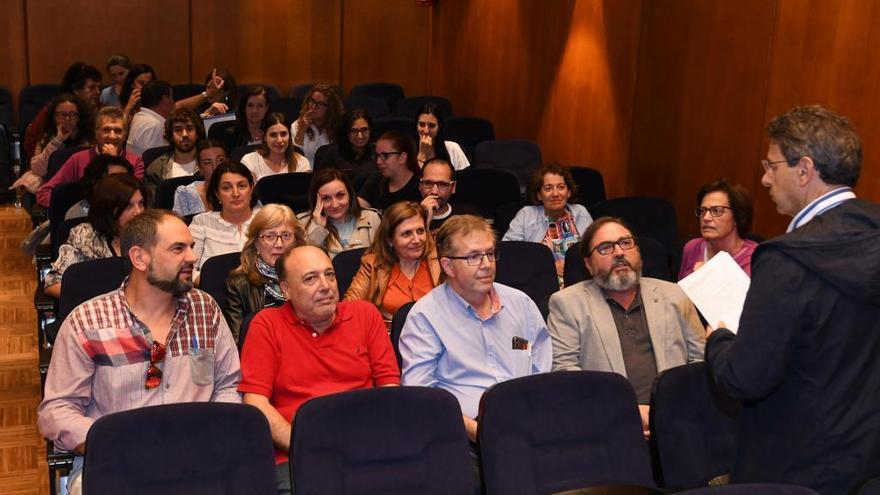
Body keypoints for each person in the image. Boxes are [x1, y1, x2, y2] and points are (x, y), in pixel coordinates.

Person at [705, 105, 880, 493]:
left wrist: (717, 339)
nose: (764, 180)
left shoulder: (786, 260)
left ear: (804, 170)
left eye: (771, 166)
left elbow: (744, 378)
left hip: (793, 466)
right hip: (866, 458)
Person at [37, 209, 241, 495]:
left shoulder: (204, 310)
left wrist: (210, 436)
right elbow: (57, 411)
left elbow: (228, 384)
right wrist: (120, 443)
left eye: (192, 248)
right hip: (117, 462)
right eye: (178, 248)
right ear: (139, 258)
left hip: (197, 459)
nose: (193, 258)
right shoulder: (88, 322)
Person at [239, 245, 399, 494]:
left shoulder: (365, 314)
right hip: (298, 454)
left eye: (330, 275)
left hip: (368, 449)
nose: (325, 286)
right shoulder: (266, 325)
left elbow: (389, 388)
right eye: (310, 278)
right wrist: (306, 446)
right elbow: (256, 402)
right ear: (286, 289)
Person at [399, 214, 552, 443]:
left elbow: (542, 366)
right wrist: (482, 434)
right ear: (448, 266)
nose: (487, 265)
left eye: (490, 254)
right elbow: (423, 396)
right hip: (465, 435)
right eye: (473, 257)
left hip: (529, 422)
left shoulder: (521, 304)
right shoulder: (425, 317)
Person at [547, 216, 705, 436]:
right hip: (607, 427)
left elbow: (701, 362)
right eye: (605, 248)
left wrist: (674, 410)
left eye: (625, 243)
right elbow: (564, 371)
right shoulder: (567, 304)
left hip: (678, 421)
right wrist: (626, 409)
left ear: (637, 251)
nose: (619, 252)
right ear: (588, 264)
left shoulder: (674, 295)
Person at [43, 173, 146, 299]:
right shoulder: (85, 236)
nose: (139, 211)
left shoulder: (151, 233)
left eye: (141, 203)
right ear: (110, 208)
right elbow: (53, 283)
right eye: (129, 206)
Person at [344, 201, 441, 326]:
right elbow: (349, 309)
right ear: (390, 240)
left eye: (420, 231)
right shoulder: (373, 264)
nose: (417, 240)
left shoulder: (440, 260)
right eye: (407, 234)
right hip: (389, 339)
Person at [225, 204, 305, 342]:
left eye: (286, 235)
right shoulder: (238, 285)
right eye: (270, 236)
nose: (279, 244)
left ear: (296, 242)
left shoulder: (309, 276)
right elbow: (239, 342)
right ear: (256, 243)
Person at [36, 107, 144, 208]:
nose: (112, 136)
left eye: (118, 131)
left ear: (125, 135)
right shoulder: (78, 159)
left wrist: (114, 161)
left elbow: (132, 199)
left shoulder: (136, 162)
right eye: (106, 130)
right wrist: (70, 208)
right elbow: (44, 193)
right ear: (96, 133)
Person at [503, 163, 593, 279]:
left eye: (561, 187)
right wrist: (548, 267)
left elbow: (595, 249)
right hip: (542, 280)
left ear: (569, 192)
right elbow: (508, 253)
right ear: (539, 195)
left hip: (580, 281)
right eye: (548, 188)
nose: (555, 194)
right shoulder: (527, 215)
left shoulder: (581, 212)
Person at [9, 93, 95, 194]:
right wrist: (58, 141)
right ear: (55, 117)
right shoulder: (47, 137)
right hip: (51, 185)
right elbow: (38, 169)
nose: (67, 119)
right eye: (63, 115)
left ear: (79, 117)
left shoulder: (88, 139)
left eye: (72, 114)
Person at [188, 161, 259, 277]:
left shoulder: (267, 219)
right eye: (227, 188)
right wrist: (206, 284)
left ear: (251, 189)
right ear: (217, 194)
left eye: (242, 186)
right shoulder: (201, 222)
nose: (235, 193)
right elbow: (187, 265)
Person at [679, 178, 757, 279]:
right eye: (702, 210)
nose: (706, 218)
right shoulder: (692, 248)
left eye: (716, 210)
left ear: (737, 216)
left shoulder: (754, 258)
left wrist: (708, 275)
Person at [24, 62, 102, 159]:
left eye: (99, 88)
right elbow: (32, 140)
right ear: (76, 89)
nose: (98, 92)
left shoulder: (101, 110)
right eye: (92, 88)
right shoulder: (52, 110)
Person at [298, 167, 381, 258]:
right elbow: (303, 261)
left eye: (340, 195)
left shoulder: (372, 218)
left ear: (350, 194)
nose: (335, 204)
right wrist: (317, 228)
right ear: (316, 200)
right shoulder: (302, 223)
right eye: (326, 198)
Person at [143, 108, 206, 199]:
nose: (185, 134)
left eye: (189, 128)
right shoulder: (156, 169)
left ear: (197, 133)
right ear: (171, 136)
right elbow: (153, 207)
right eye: (178, 130)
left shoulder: (208, 163)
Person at [314, 108, 377, 189]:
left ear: (370, 130)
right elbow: (318, 185)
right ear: (346, 132)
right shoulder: (333, 153)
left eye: (364, 130)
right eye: (354, 131)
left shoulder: (377, 151)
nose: (360, 136)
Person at [358, 130, 422, 210]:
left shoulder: (419, 187)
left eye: (385, 156)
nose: (378, 161)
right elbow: (356, 208)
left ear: (402, 157)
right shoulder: (377, 179)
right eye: (377, 155)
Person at [241, 112, 310, 181]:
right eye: (273, 135)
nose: (279, 140)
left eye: (283, 134)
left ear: (289, 135)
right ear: (265, 137)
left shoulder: (302, 163)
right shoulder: (249, 161)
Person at [64, 154, 134, 220]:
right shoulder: (78, 214)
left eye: (126, 180)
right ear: (96, 185)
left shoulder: (136, 209)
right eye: (115, 181)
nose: (123, 186)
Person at [419, 158, 477, 234]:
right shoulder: (406, 217)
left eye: (442, 185)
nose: (434, 191)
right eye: (428, 183)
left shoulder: (469, 218)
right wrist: (423, 217)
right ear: (420, 185)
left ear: (453, 187)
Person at [291, 84, 344, 166]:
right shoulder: (296, 125)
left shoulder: (338, 126)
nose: (314, 107)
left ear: (330, 108)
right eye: (312, 101)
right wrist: (302, 130)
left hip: (330, 174)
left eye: (320, 104)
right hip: (304, 174)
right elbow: (295, 158)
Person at [172, 139, 227, 217]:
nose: (215, 167)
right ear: (200, 167)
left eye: (220, 160)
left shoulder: (237, 191)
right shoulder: (186, 193)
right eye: (207, 163)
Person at [415, 102, 470, 171]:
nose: (426, 130)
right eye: (421, 124)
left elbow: (464, 179)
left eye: (432, 126)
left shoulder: (453, 148)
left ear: (439, 127)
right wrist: (422, 154)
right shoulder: (408, 150)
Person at [126, 80, 173, 158]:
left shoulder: (139, 117)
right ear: (164, 99)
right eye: (172, 98)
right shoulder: (154, 126)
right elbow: (155, 162)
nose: (173, 102)